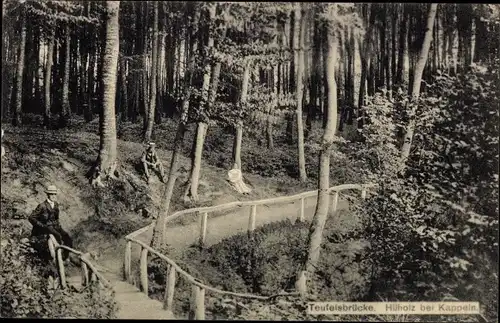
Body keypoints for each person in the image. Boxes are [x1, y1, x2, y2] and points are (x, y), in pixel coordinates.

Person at [29, 185, 74, 263]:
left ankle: (65, 257)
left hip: (55, 226)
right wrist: (42, 226)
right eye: (51, 194)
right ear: (48, 194)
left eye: (54, 194)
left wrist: (59, 225)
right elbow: (31, 218)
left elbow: (56, 218)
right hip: (46, 227)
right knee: (58, 236)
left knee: (68, 238)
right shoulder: (42, 206)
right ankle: (57, 258)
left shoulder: (56, 204)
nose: (53, 196)